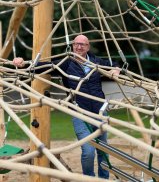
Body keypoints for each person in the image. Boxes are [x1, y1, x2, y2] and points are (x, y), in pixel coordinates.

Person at [13, 35, 120, 179]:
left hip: (100, 112)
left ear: (88, 47)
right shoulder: (67, 63)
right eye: (76, 44)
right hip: (79, 112)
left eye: (82, 44)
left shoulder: (96, 62)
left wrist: (117, 69)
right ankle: (89, 178)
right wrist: (24, 63)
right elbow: (45, 66)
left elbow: (117, 64)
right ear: (73, 46)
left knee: (103, 151)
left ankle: (103, 179)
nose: (79, 47)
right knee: (88, 151)